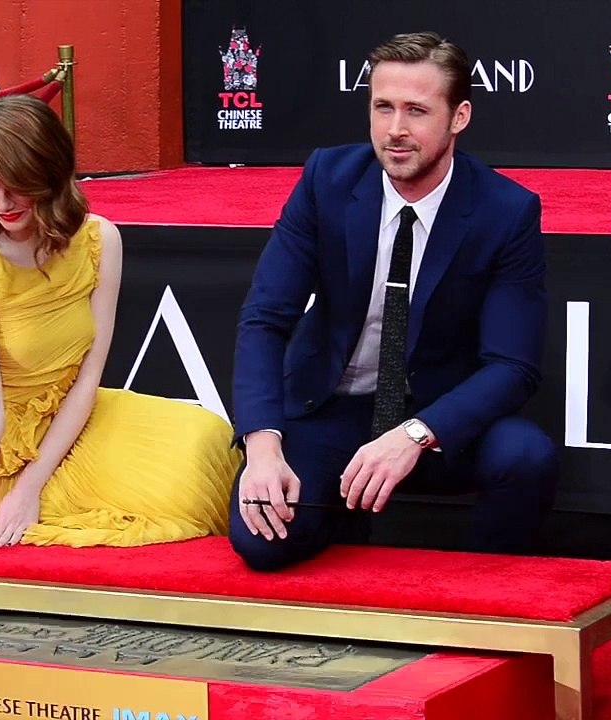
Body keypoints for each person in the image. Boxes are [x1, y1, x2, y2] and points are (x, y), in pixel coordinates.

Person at [230, 32, 558, 571]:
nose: (396, 130)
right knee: (262, 543)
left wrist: (414, 434)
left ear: (459, 117)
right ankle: (341, 519)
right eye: (383, 107)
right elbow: (266, 317)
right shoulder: (327, 181)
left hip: (436, 420)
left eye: (417, 111)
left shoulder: (506, 211)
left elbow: (513, 366)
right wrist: (261, 447)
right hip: (331, 407)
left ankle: (489, 602)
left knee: (524, 457)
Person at [0, 95, 241, 581]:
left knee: (208, 437)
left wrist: (34, 487)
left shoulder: (100, 239)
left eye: (17, 188)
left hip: (73, 417)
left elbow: (89, 375)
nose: (2, 205)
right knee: (176, 493)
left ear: (50, 174)